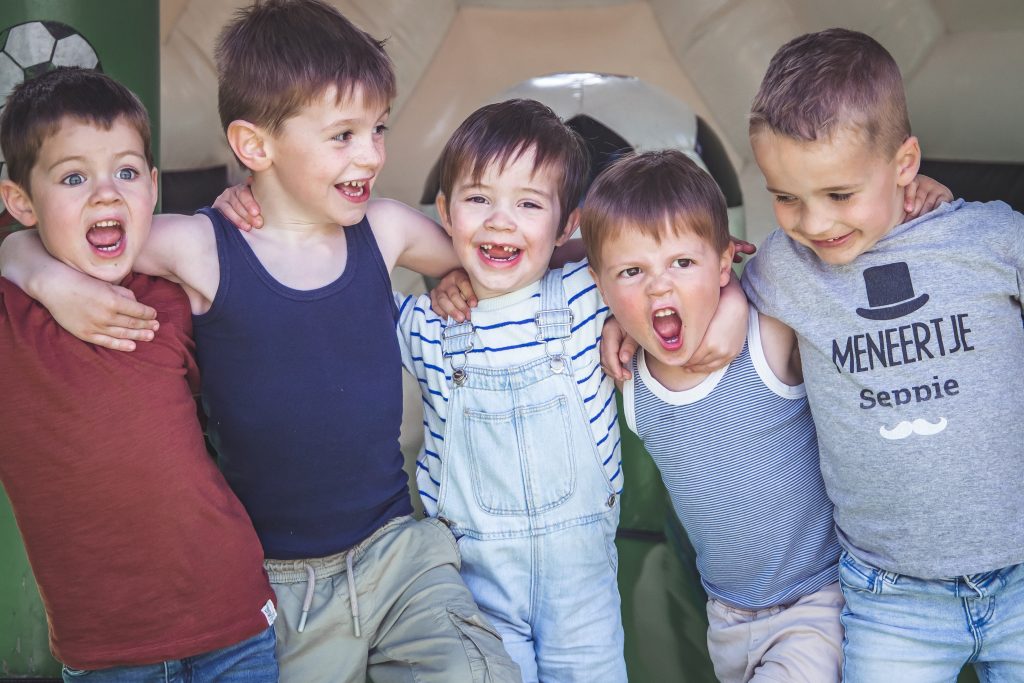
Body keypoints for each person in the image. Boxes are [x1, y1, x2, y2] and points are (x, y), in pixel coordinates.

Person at [0, 2, 519, 682]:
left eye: (378, 129)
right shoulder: (199, 247)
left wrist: (469, 277)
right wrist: (37, 272)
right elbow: (56, 234)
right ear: (254, 146)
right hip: (276, 580)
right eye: (344, 134)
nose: (372, 153)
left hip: (397, 552)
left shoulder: (386, 229)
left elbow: (489, 261)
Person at [740, 28, 1024, 682]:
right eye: (786, 197)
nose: (814, 223)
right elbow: (707, 306)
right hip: (890, 595)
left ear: (904, 164)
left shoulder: (989, 238)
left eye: (839, 194)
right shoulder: (786, 268)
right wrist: (626, 325)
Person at [0, 67, 278, 682]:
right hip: (108, 652)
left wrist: (231, 211)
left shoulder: (171, 294)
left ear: (153, 186)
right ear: (20, 201)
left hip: (233, 621)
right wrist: (27, 262)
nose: (106, 194)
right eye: (74, 177)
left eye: (126, 172)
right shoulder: (9, 319)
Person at [583, 149, 844, 683]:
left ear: (724, 263)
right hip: (726, 616)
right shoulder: (629, 376)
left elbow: (822, 253)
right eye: (633, 271)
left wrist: (737, 295)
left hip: (817, 600)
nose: (659, 286)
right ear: (600, 286)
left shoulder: (766, 339)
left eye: (682, 263)